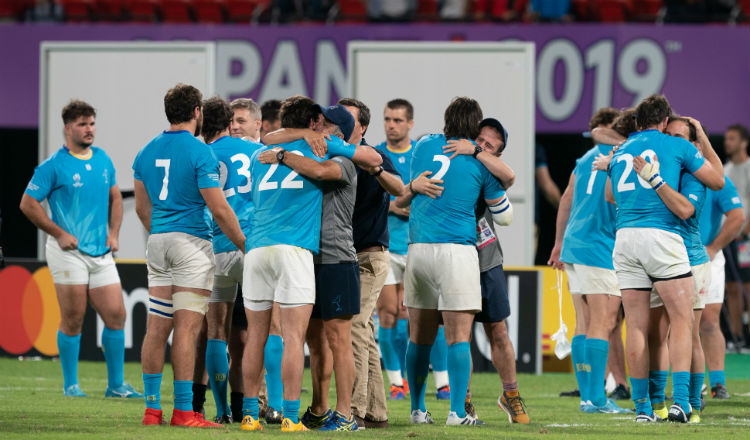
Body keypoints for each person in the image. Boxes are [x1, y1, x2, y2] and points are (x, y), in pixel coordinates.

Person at [239, 96, 380, 432]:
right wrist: (295, 141)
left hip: (335, 258)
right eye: (316, 121)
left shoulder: (340, 159)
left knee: (338, 339)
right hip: (305, 257)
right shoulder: (306, 146)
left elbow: (329, 166)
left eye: (325, 123)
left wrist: (285, 154)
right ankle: (317, 408)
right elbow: (272, 138)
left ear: (335, 132)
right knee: (311, 340)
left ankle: (345, 415)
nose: (318, 125)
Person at [605, 94, 724, 423]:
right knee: (683, 320)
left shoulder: (621, 151)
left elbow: (610, 196)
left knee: (637, 327)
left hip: (624, 238)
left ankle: (643, 408)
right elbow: (717, 180)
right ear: (662, 121)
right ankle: (682, 402)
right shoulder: (677, 146)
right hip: (661, 236)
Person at [133, 83, 245, 428]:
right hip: (191, 244)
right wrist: (244, 243)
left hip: (158, 241)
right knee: (187, 328)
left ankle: (152, 410)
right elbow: (219, 208)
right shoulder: (200, 152)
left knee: (156, 328)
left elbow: (141, 207)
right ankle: (184, 411)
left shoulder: (145, 151)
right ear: (197, 112)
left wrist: (163, 231)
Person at [394, 97, 511, 426]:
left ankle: (417, 410)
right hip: (457, 251)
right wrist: (478, 153)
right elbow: (506, 211)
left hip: (417, 249)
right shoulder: (480, 162)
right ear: (475, 129)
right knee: (459, 337)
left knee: (418, 337)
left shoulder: (422, 146)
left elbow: (408, 191)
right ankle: (458, 413)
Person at [20, 100, 141, 400]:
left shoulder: (103, 159)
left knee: (116, 315)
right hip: (67, 252)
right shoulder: (52, 166)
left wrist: (114, 234)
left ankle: (115, 386)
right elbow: (27, 203)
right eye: (83, 124)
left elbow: (115, 198)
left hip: (100, 253)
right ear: (68, 127)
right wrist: (58, 233)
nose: (89, 129)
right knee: (73, 318)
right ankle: (71, 385)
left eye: (92, 123)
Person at [426, 117, 530, 424]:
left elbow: (510, 176)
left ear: (495, 154)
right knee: (459, 335)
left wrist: (476, 152)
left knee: (498, 330)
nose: (482, 147)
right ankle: (464, 399)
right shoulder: (450, 160)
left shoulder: (487, 168)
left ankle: (510, 396)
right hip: (452, 257)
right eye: (480, 140)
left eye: (490, 147)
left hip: (486, 260)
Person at [548, 108, 630, 414]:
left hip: (575, 245)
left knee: (583, 322)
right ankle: (597, 398)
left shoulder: (584, 160)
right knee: (604, 322)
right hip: (599, 246)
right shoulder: (625, 155)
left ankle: (588, 397)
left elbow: (567, 199)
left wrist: (558, 243)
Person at [641, 116, 712, 423]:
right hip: (660, 258)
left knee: (690, 334)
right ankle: (658, 403)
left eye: (680, 137)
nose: (672, 141)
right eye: (668, 135)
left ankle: (692, 404)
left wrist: (655, 181)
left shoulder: (696, 177)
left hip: (691, 260)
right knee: (657, 333)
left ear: (694, 145)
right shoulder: (665, 167)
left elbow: (685, 209)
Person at [340, 97, 403, 429]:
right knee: (363, 329)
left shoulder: (374, 157)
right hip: (342, 257)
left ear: (362, 127)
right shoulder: (333, 154)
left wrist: (376, 169)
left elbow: (399, 188)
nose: (343, 125)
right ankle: (378, 412)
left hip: (369, 255)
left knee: (354, 325)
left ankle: (354, 409)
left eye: (349, 120)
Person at [199, 97, 263, 424]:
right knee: (261, 329)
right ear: (229, 123)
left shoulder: (202, 155)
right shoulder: (256, 151)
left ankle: (223, 411)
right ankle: (258, 408)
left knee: (216, 332)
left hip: (217, 248)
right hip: (252, 245)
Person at [698, 165, 745, 400]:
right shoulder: (668, 171)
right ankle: (689, 383)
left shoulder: (716, 178)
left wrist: (714, 247)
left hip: (707, 258)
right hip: (672, 255)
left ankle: (717, 383)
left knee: (708, 319)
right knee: (673, 323)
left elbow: (737, 216)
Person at [722, 124, 750, 350]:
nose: (727, 142)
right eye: (727, 138)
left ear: (744, 142)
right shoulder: (725, 169)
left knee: (748, 287)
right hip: (729, 237)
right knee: (731, 287)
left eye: (732, 139)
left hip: (746, 239)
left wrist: (745, 230)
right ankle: (736, 338)